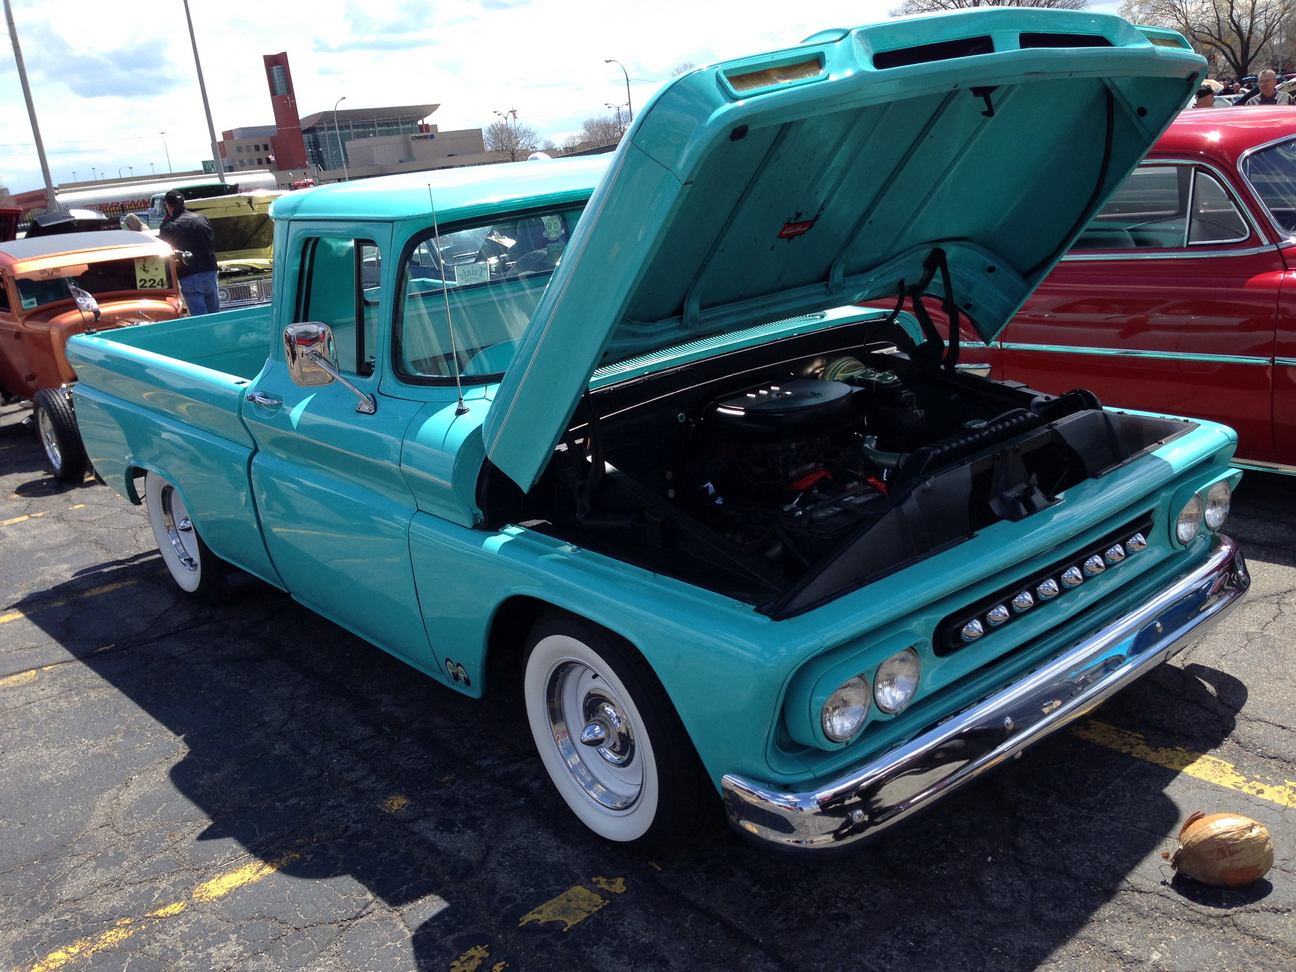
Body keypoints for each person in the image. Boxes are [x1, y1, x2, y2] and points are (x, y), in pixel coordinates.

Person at [158, 189, 220, 315]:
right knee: (215, 314)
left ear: (168, 206)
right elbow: (212, 241)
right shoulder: (202, 218)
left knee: (200, 318)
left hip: (189, 276)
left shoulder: (168, 225)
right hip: (210, 273)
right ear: (184, 203)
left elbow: (167, 254)